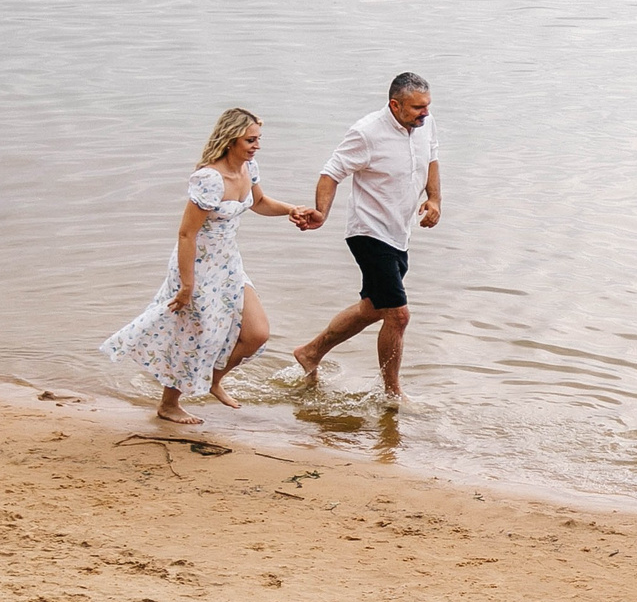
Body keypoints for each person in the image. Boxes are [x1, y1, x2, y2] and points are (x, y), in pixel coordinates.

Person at [102, 108, 309, 424]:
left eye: (258, 140)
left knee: (256, 333)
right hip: (196, 267)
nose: (257, 146)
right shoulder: (209, 180)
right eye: (250, 140)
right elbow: (187, 233)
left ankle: (214, 380)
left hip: (228, 265)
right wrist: (187, 285)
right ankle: (169, 404)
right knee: (194, 336)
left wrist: (291, 209)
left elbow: (260, 203)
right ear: (231, 140)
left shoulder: (249, 168)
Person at [289, 73, 441, 399]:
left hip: (400, 232)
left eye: (427, 106)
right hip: (369, 232)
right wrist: (322, 213)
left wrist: (434, 199)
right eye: (417, 108)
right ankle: (392, 394)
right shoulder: (367, 132)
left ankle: (311, 352)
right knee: (398, 315)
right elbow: (331, 173)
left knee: (373, 308)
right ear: (394, 105)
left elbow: (431, 159)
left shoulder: (425, 124)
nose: (424, 113)